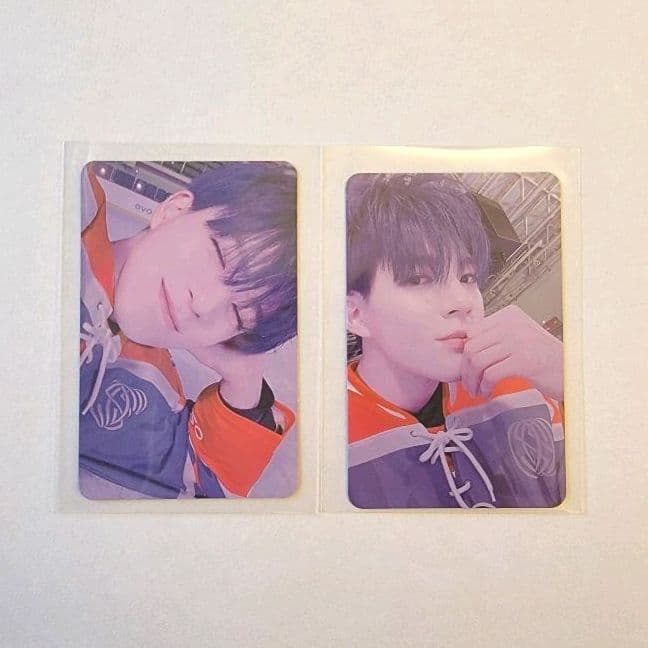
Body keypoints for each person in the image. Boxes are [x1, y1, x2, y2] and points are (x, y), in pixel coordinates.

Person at [346, 173, 565, 508]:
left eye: (467, 277)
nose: (462, 301)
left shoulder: (521, 389)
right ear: (356, 314)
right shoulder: (317, 440)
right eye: (419, 278)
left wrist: (574, 380)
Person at [79, 161, 297, 499]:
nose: (204, 305)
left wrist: (244, 379)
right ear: (174, 211)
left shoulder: (152, 389)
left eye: (238, 314)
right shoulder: (69, 204)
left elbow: (205, 487)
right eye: (219, 256)